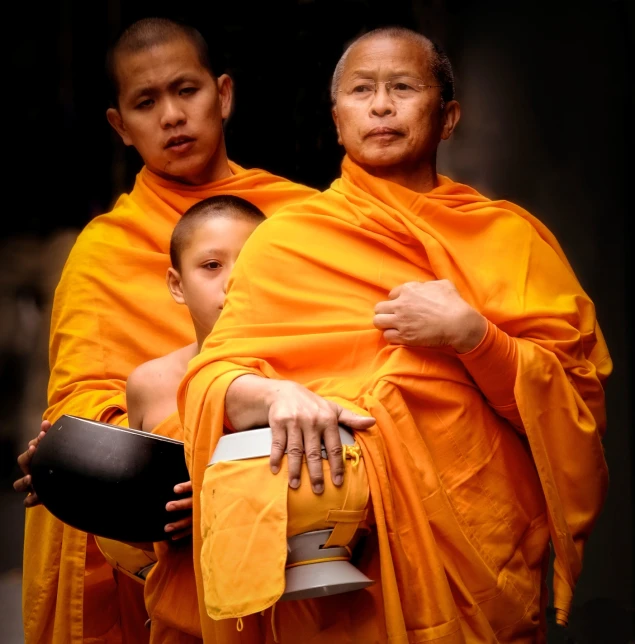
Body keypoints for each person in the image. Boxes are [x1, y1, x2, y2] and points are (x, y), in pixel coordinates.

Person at [178, 26, 612, 643]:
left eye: (403, 88)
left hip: (478, 558)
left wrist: (473, 337)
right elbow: (213, 380)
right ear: (337, 118)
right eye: (362, 91)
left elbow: (573, 412)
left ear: (449, 116)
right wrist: (276, 396)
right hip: (326, 564)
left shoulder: (509, 242)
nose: (381, 106)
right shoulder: (285, 241)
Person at [13, 17, 317, 644]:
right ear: (120, 126)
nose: (172, 116)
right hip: (169, 536)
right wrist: (72, 457)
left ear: (224, 94)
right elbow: (86, 399)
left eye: (187, 91)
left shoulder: (304, 218)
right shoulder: (105, 251)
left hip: (301, 507)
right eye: (146, 102)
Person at [122, 195, 265, 643]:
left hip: (284, 611)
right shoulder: (151, 383)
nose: (233, 281)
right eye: (211, 266)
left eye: (253, 261)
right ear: (176, 284)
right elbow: (141, 510)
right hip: (185, 620)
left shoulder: (304, 374)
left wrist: (217, 503)